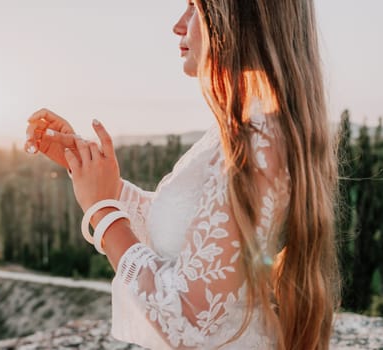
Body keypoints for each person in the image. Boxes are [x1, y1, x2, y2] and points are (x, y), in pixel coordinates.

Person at [24, 0, 340, 349]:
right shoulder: (252, 130)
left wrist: (103, 211)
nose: (178, 25)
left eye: (195, 7)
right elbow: (191, 238)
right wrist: (95, 175)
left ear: (240, 18)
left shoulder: (260, 142)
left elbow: (187, 318)